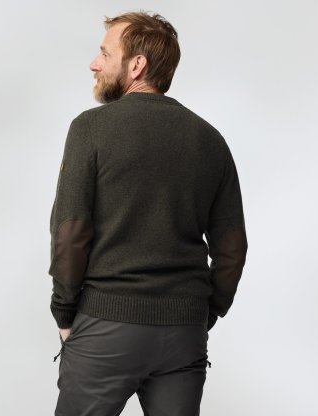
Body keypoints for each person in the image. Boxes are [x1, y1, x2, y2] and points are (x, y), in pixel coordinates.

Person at [48, 10, 248, 416]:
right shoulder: (210, 140)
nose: (94, 63)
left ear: (137, 64)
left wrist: (64, 312)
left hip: (107, 326)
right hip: (184, 335)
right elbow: (232, 249)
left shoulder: (90, 128)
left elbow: (70, 232)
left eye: (105, 53)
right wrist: (203, 313)